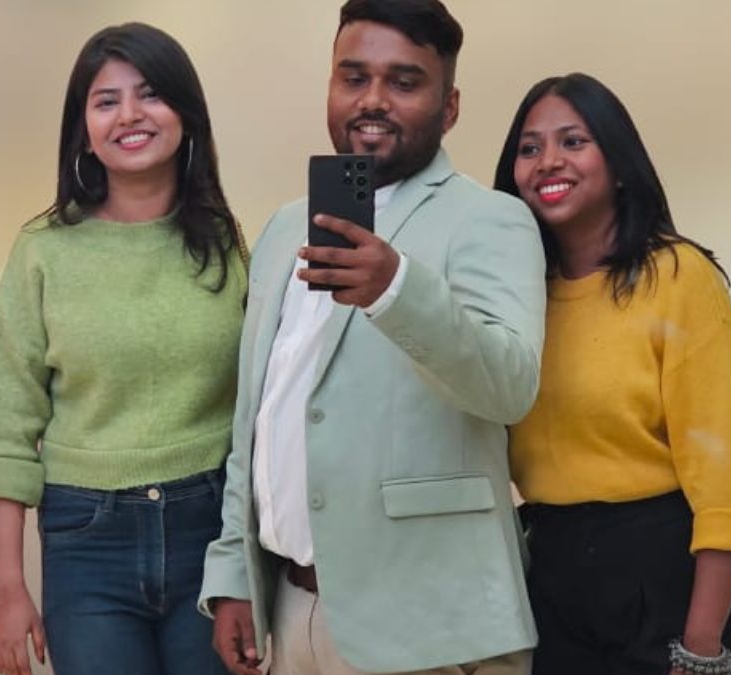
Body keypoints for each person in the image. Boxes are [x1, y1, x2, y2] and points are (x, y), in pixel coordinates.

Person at [197, 1, 547, 674]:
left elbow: (509, 387)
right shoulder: (283, 229)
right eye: (353, 77)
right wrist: (234, 571)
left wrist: (396, 290)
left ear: (449, 108)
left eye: (404, 82)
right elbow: (257, 417)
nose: (373, 100)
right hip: (288, 610)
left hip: (427, 625)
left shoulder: (490, 220)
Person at [0, 22, 247, 675]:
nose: (129, 115)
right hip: (86, 541)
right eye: (106, 101)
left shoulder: (224, 242)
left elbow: (258, 409)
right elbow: (8, 426)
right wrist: (8, 587)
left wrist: (246, 560)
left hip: (209, 530)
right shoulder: (42, 252)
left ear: (186, 113)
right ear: (84, 130)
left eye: (150, 93)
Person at [493, 72, 731, 675]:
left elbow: (726, 480)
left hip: (674, 574)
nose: (548, 161)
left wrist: (700, 646)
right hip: (555, 575)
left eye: (573, 141)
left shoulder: (679, 278)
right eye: (529, 148)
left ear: (619, 165)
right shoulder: (518, 299)